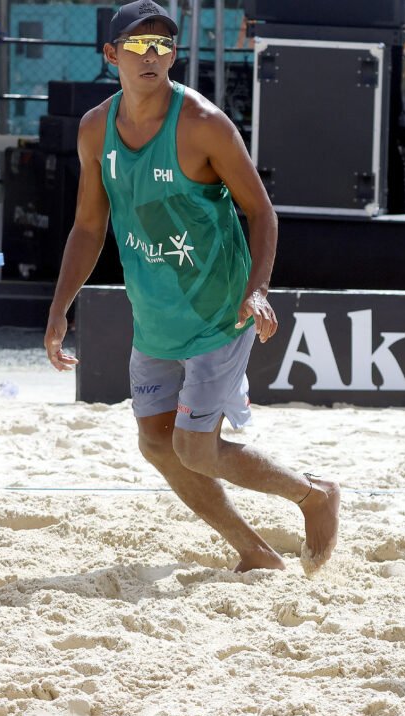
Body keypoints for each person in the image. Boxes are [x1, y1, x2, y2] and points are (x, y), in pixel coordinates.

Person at [43, 1, 339, 576]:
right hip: (156, 313)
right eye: (137, 45)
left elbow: (262, 213)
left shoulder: (202, 122)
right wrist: (60, 309)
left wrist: (258, 291)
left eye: (162, 45)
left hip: (218, 308)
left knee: (195, 447)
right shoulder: (95, 128)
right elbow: (87, 225)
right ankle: (254, 550)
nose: (151, 55)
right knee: (156, 445)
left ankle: (314, 495)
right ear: (111, 55)